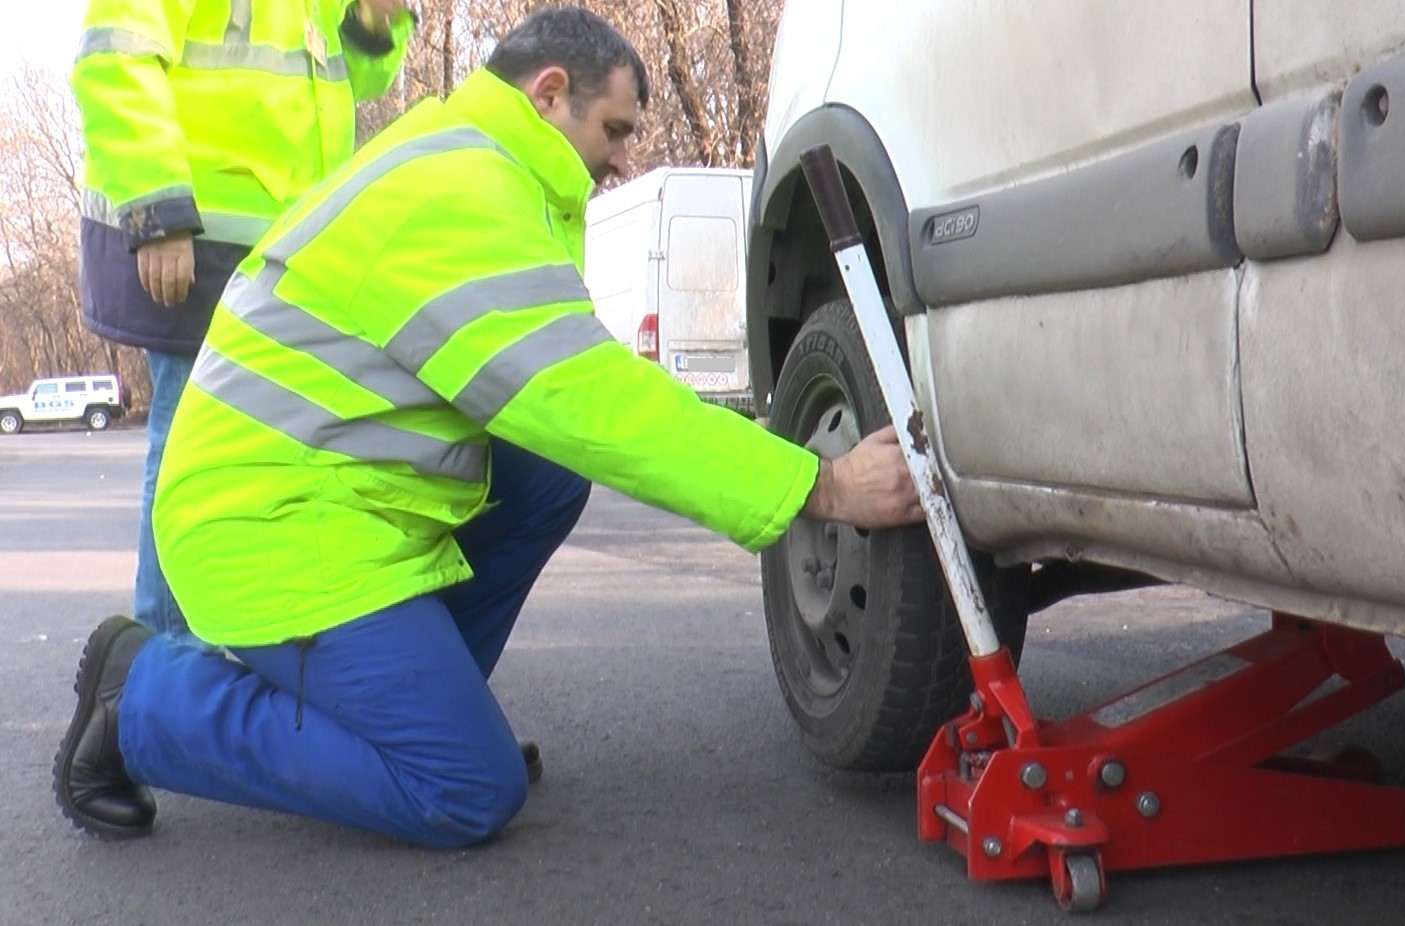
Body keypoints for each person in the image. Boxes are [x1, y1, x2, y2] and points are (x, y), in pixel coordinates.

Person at [53, 6, 925, 849]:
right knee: (466, 788)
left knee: (544, 477)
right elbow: (600, 405)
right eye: (614, 130)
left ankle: (418, 709)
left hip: (321, 497)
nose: (621, 159)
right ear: (549, 93)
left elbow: (576, 397)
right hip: (267, 531)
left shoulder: (474, 162)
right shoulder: (461, 194)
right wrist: (819, 486)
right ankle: (143, 702)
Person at [71, 0, 414, 637]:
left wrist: (373, 23)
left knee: (258, 467)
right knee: (192, 460)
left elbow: (355, 83)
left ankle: (215, 653)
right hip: (195, 242)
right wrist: (157, 212)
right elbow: (114, 58)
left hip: (286, 251)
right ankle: (164, 664)